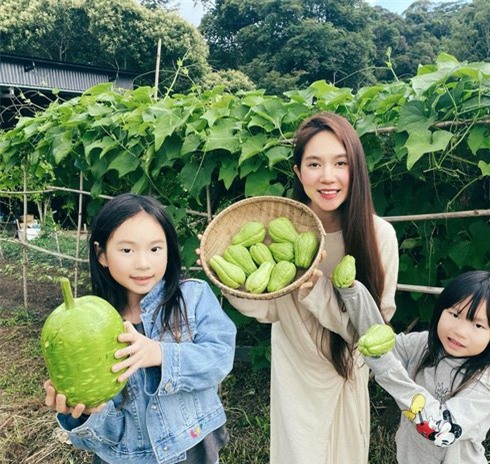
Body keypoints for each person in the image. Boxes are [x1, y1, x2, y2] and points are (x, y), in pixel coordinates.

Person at [210, 112, 400, 463]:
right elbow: (268, 308)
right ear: (298, 173)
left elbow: (373, 332)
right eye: (314, 164)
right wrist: (230, 283)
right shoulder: (277, 231)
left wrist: (318, 293)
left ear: (356, 169)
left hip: (346, 373)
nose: (327, 176)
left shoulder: (380, 236)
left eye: (340, 163)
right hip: (294, 368)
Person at [43, 193, 237, 464]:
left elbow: (221, 358)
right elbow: (110, 435)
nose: (143, 263)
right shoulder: (89, 327)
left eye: (155, 249)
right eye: (127, 250)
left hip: (192, 450)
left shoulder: (193, 297)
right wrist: (88, 413)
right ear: (101, 254)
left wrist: (160, 354)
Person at [339, 270, 490, 464]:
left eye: (478, 325)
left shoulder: (486, 383)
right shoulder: (424, 346)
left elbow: (442, 431)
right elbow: (379, 342)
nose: (460, 331)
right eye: (455, 314)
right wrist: (353, 293)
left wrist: (387, 370)